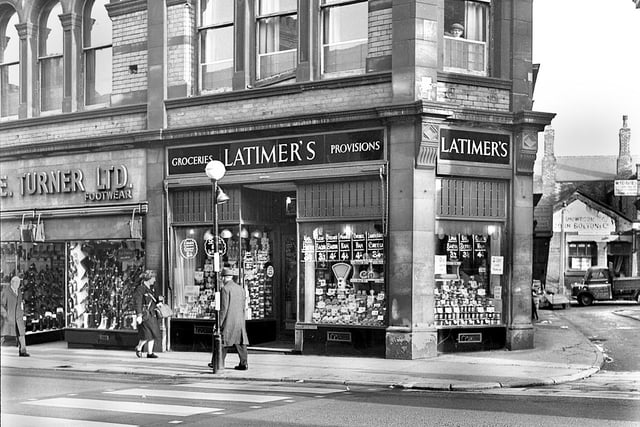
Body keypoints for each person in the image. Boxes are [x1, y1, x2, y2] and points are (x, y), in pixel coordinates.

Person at [217, 267, 249, 370]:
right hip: (239, 320)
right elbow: (243, 306)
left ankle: (217, 363)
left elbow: (224, 308)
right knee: (241, 343)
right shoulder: (240, 289)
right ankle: (244, 363)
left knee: (223, 342)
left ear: (224, 278)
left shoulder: (225, 289)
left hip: (229, 321)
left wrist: (219, 323)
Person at [134, 270, 161, 358]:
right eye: (153, 278)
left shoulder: (151, 289)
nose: (154, 280)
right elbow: (138, 302)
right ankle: (139, 347)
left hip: (152, 314)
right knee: (146, 334)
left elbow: (154, 300)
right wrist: (139, 315)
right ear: (149, 278)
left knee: (152, 333)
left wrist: (159, 301)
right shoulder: (140, 289)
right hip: (145, 315)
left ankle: (150, 352)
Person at [1, 276, 30, 356]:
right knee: (4, 335)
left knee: (21, 334)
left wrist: (22, 312)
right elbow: (1, 305)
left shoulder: (19, 292)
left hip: (18, 317)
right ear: (12, 282)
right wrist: (4, 314)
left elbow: (20, 303)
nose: (18, 285)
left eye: (19, 283)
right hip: (9, 317)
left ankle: (23, 351)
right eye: (16, 283)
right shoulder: (6, 292)